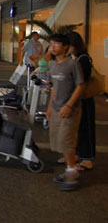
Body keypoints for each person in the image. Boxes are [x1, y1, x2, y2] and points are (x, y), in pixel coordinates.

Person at [46, 34, 85, 190]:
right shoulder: (53, 65)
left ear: (65, 46)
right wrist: (49, 108)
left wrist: (69, 106)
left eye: (56, 44)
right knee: (59, 141)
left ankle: (72, 171)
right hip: (56, 108)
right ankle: (71, 169)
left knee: (67, 141)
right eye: (50, 44)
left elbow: (80, 86)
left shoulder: (72, 64)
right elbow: (53, 88)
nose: (52, 47)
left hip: (70, 109)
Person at [67, 31, 96, 171]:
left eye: (69, 45)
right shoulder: (77, 57)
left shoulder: (83, 59)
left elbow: (81, 80)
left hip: (85, 99)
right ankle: (78, 154)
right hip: (77, 99)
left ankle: (88, 158)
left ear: (75, 45)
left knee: (86, 128)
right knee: (77, 128)